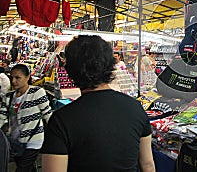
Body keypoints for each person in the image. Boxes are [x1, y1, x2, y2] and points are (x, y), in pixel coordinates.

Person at [41, 35, 155, 172]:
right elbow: (148, 165)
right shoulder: (135, 108)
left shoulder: (61, 120)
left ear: (70, 70)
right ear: (110, 65)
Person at [0, 64, 52, 172]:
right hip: (16, 141)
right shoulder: (8, 97)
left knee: (22, 169)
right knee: (27, 167)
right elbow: (2, 116)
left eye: (18, 77)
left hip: (34, 140)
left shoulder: (37, 93)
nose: (13, 81)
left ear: (28, 77)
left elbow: (48, 114)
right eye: (12, 78)